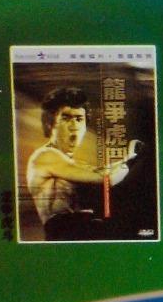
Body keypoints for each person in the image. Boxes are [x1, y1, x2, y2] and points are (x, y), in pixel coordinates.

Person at [25, 87, 139, 241]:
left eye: (79, 119)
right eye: (66, 118)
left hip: (80, 231)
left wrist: (128, 158)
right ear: (51, 123)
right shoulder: (45, 156)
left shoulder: (71, 163)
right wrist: (131, 159)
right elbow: (108, 178)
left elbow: (100, 170)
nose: (74, 126)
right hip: (64, 233)